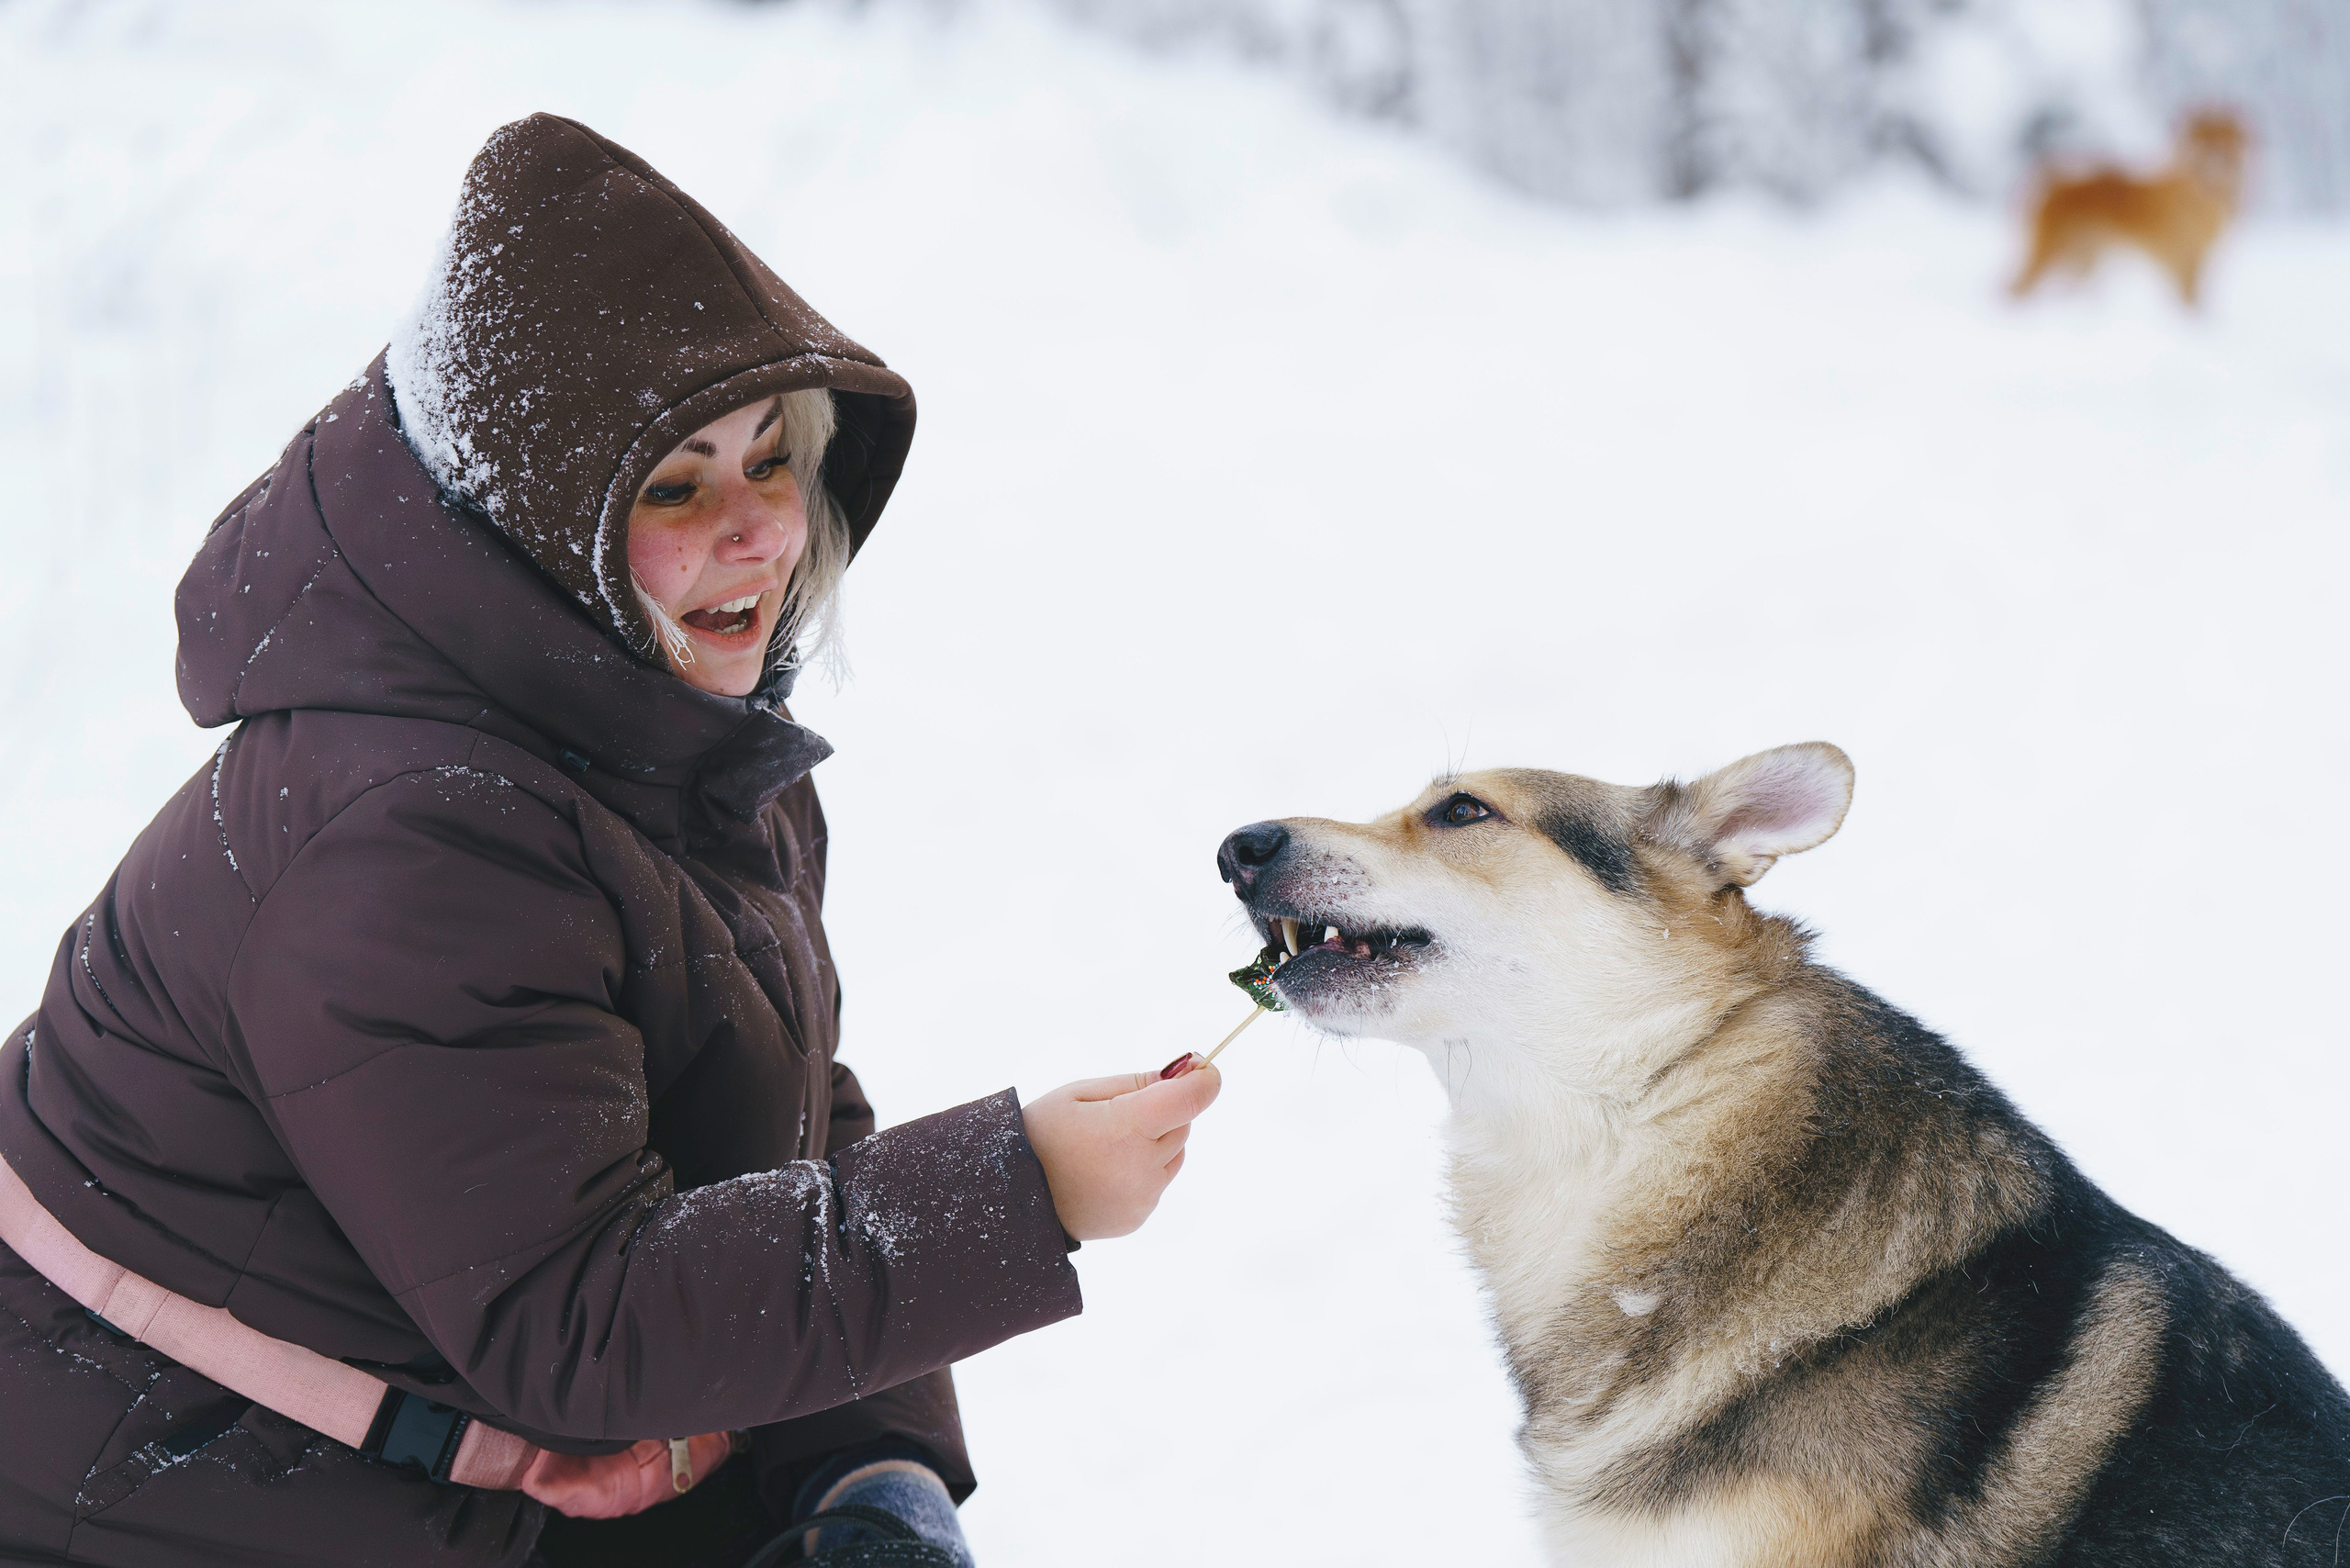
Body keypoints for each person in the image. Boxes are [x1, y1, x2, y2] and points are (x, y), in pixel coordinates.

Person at [0, 114, 1221, 1568]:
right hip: (184, 1482)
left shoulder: (650, 730)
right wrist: (1020, 1197)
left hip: (459, 1432)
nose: (760, 533)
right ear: (533, 520)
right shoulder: (413, 838)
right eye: (676, 485)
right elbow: (573, 1321)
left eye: (774, 461)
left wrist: (867, 1465)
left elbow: (758, 1121)